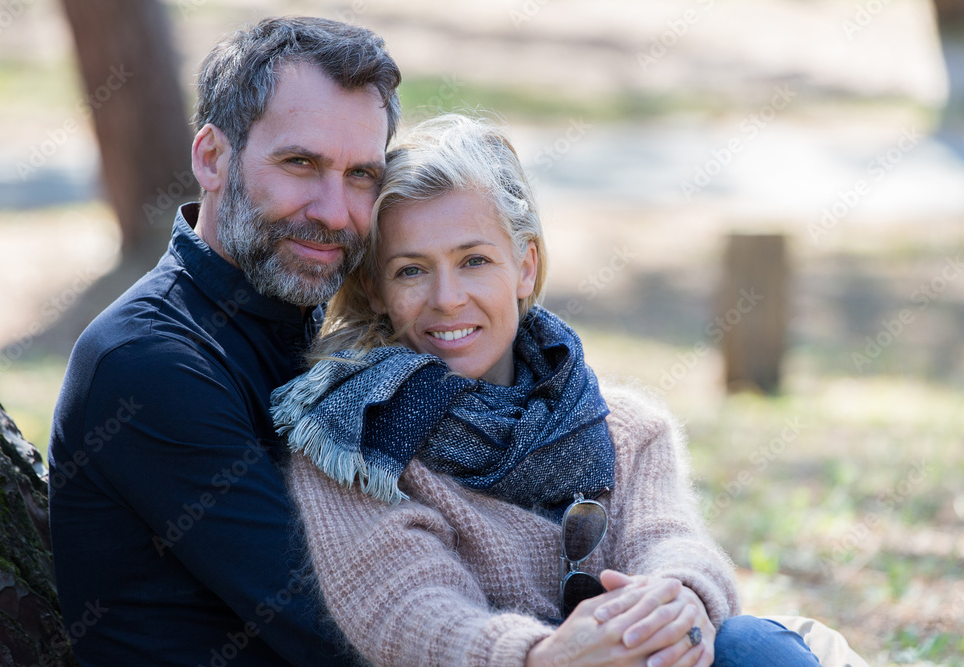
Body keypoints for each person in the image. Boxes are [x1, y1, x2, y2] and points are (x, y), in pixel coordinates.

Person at [271, 114, 869, 667]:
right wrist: (544, 657)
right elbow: (407, 609)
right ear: (375, 290)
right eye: (411, 270)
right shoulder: (354, 440)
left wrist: (677, 600)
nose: (447, 297)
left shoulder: (628, 428)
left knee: (749, 645)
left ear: (525, 266)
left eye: (474, 260)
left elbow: (671, 541)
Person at [48, 17, 400, 665]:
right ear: (211, 158)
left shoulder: (330, 325)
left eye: (361, 176)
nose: (332, 211)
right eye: (300, 162)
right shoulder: (147, 363)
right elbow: (349, 628)